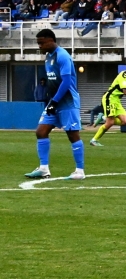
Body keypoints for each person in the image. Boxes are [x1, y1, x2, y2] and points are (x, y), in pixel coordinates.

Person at [25, 29, 85, 180]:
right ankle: (43, 168)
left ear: (51, 40)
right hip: (54, 102)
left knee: (72, 135)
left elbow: (66, 82)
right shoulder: (48, 57)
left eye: (42, 43)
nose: (39, 46)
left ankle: (79, 171)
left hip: (67, 102)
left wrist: (55, 101)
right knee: (41, 131)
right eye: (38, 43)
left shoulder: (62, 55)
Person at [90, 59, 126, 146]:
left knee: (125, 121)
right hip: (110, 98)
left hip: (117, 100)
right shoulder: (124, 75)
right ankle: (94, 140)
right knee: (110, 123)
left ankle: (104, 117)